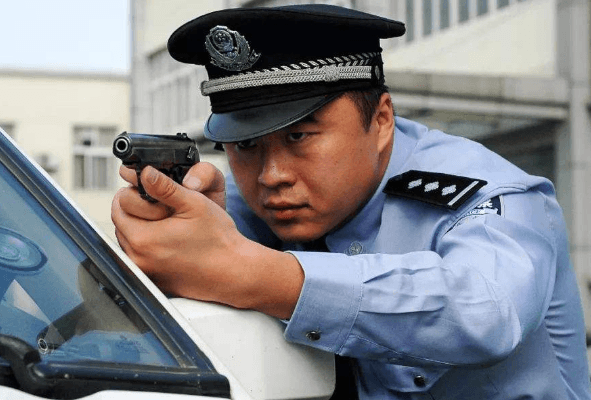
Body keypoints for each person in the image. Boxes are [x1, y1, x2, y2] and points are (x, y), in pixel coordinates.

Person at [111, 4, 591, 399]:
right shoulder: (242, 201)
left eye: (299, 136)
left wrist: (258, 275)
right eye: (247, 145)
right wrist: (168, 237)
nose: (272, 176)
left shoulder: (492, 193)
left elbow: (485, 314)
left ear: (380, 120)